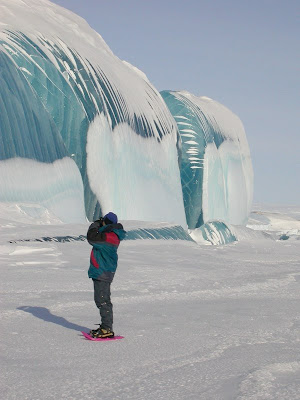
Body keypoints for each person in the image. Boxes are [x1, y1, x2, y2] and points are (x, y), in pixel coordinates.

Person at [87, 212, 126, 338]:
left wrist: (95, 224)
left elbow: (91, 237)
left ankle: (107, 328)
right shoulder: (111, 235)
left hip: (102, 271)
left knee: (103, 300)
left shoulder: (109, 237)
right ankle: (105, 327)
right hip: (103, 271)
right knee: (102, 299)